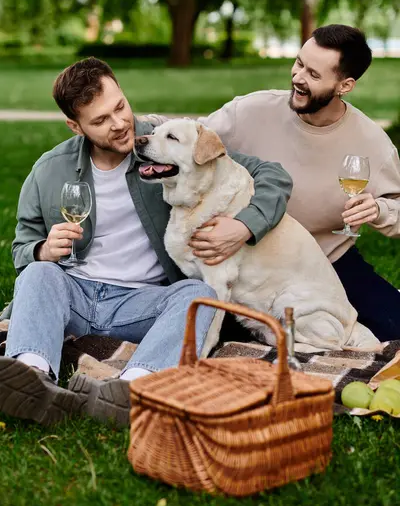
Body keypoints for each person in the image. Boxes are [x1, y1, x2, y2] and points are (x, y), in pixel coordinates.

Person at [0, 57, 292, 427]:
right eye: (100, 120)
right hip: (74, 294)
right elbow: (23, 248)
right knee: (38, 275)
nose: (119, 123)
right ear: (76, 127)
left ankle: (131, 389)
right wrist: (42, 250)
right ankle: (31, 378)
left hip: (142, 303)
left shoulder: (168, 143)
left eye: (119, 106)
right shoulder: (49, 169)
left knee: (198, 295)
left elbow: (273, 175)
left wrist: (244, 226)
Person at [200, 24, 400, 341]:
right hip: (250, 261)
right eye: (299, 63)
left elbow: (398, 210)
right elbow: (188, 141)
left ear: (345, 85)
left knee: (395, 329)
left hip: (329, 263)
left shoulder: (373, 143)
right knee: (214, 338)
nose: (298, 78)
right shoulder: (249, 112)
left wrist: (379, 210)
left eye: (314, 75)